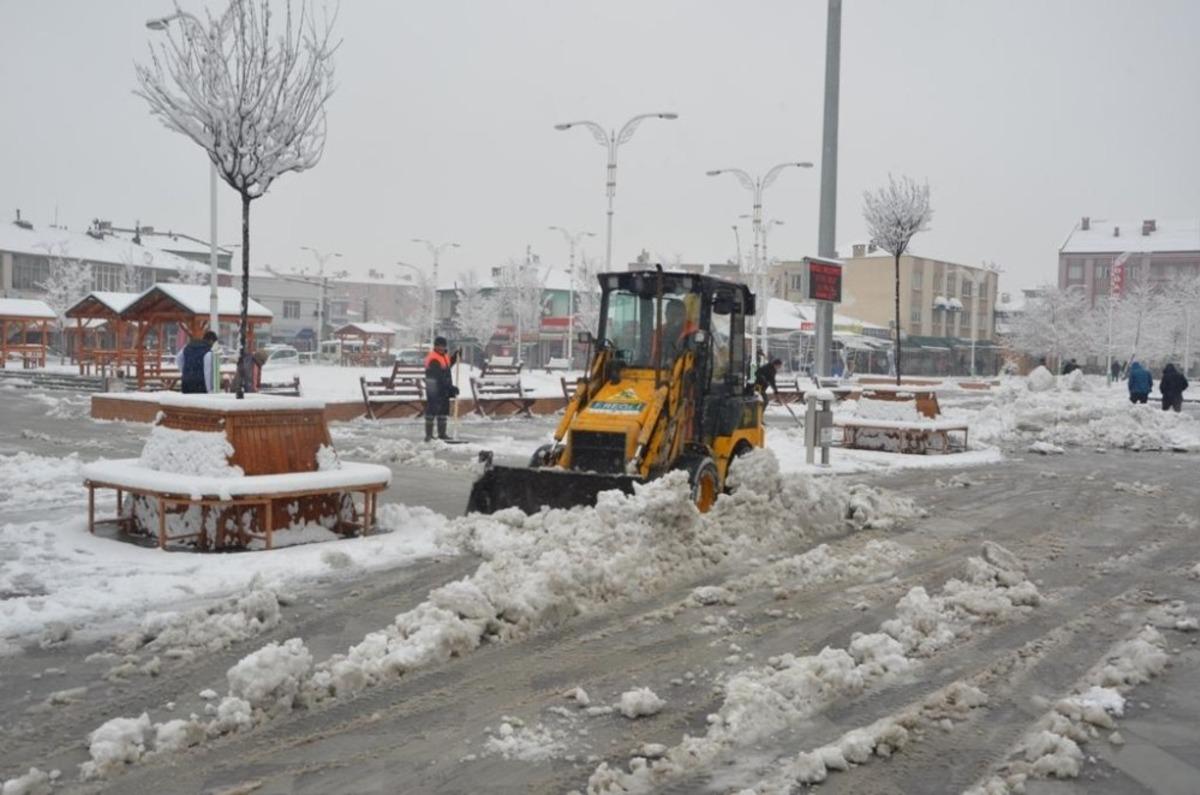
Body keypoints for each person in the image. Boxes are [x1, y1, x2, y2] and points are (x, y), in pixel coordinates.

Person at [424, 336, 460, 442]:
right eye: (438, 346)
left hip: (443, 387)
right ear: (435, 346)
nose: (441, 348)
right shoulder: (433, 358)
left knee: (443, 411)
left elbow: (448, 365)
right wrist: (450, 387)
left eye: (443, 346)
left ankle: (442, 434)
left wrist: (455, 356)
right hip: (434, 388)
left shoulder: (444, 356)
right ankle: (429, 435)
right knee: (432, 410)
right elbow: (439, 376)